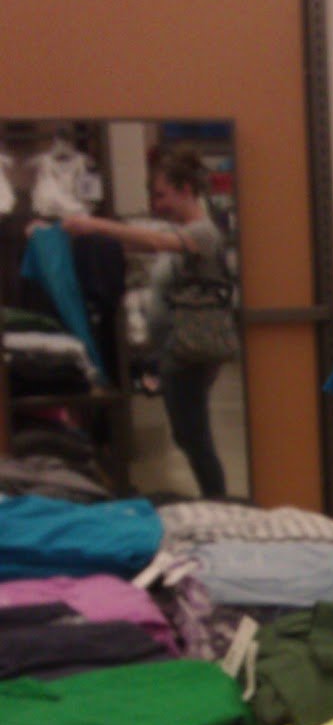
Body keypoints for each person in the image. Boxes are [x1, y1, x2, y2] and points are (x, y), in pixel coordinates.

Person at [63, 145, 229, 498]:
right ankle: (216, 498)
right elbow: (139, 244)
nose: (157, 204)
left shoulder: (202, 233)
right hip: (176, 351)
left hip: (189, 353)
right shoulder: (184, 233)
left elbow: (153, 242)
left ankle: (219, 502)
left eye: (162, 195)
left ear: (186, 190)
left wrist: (94, 224)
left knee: (194, 437)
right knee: (188, 436)